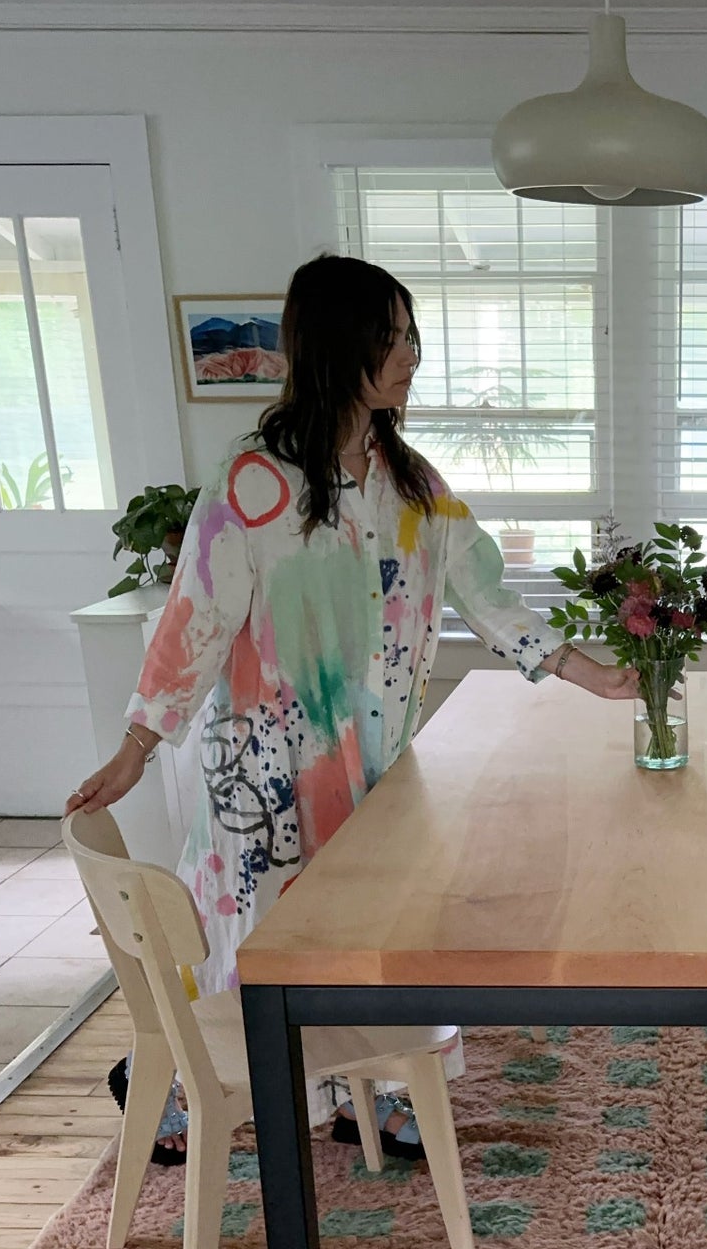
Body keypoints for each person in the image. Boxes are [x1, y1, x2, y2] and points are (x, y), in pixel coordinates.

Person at [67, 252, 635, 1160]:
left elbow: (486, 593)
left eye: (412, 335)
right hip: (265, 778)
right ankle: (176, 1080)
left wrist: (589, 672)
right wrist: (137, 747)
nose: (411, 353)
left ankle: (365, 1086)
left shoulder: (408, 483)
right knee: (263, 943)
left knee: (380, 931)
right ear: (339, 344)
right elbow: (193, 623)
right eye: (391, 335)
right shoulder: (253, 484)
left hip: (376, 772)